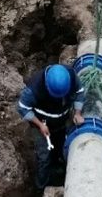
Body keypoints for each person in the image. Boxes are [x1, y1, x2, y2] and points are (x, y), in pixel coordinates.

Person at [17, 64, 85, 193]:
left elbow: (80, 92)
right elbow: (22, 108)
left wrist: (77, 113)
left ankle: (59, 172)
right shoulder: (35, 88)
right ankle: (40, 187)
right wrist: (40, 125)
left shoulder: (70, 76)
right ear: (47, 87)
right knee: (44, 158)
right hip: (41, 125)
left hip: (61, 122)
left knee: (60, 148)